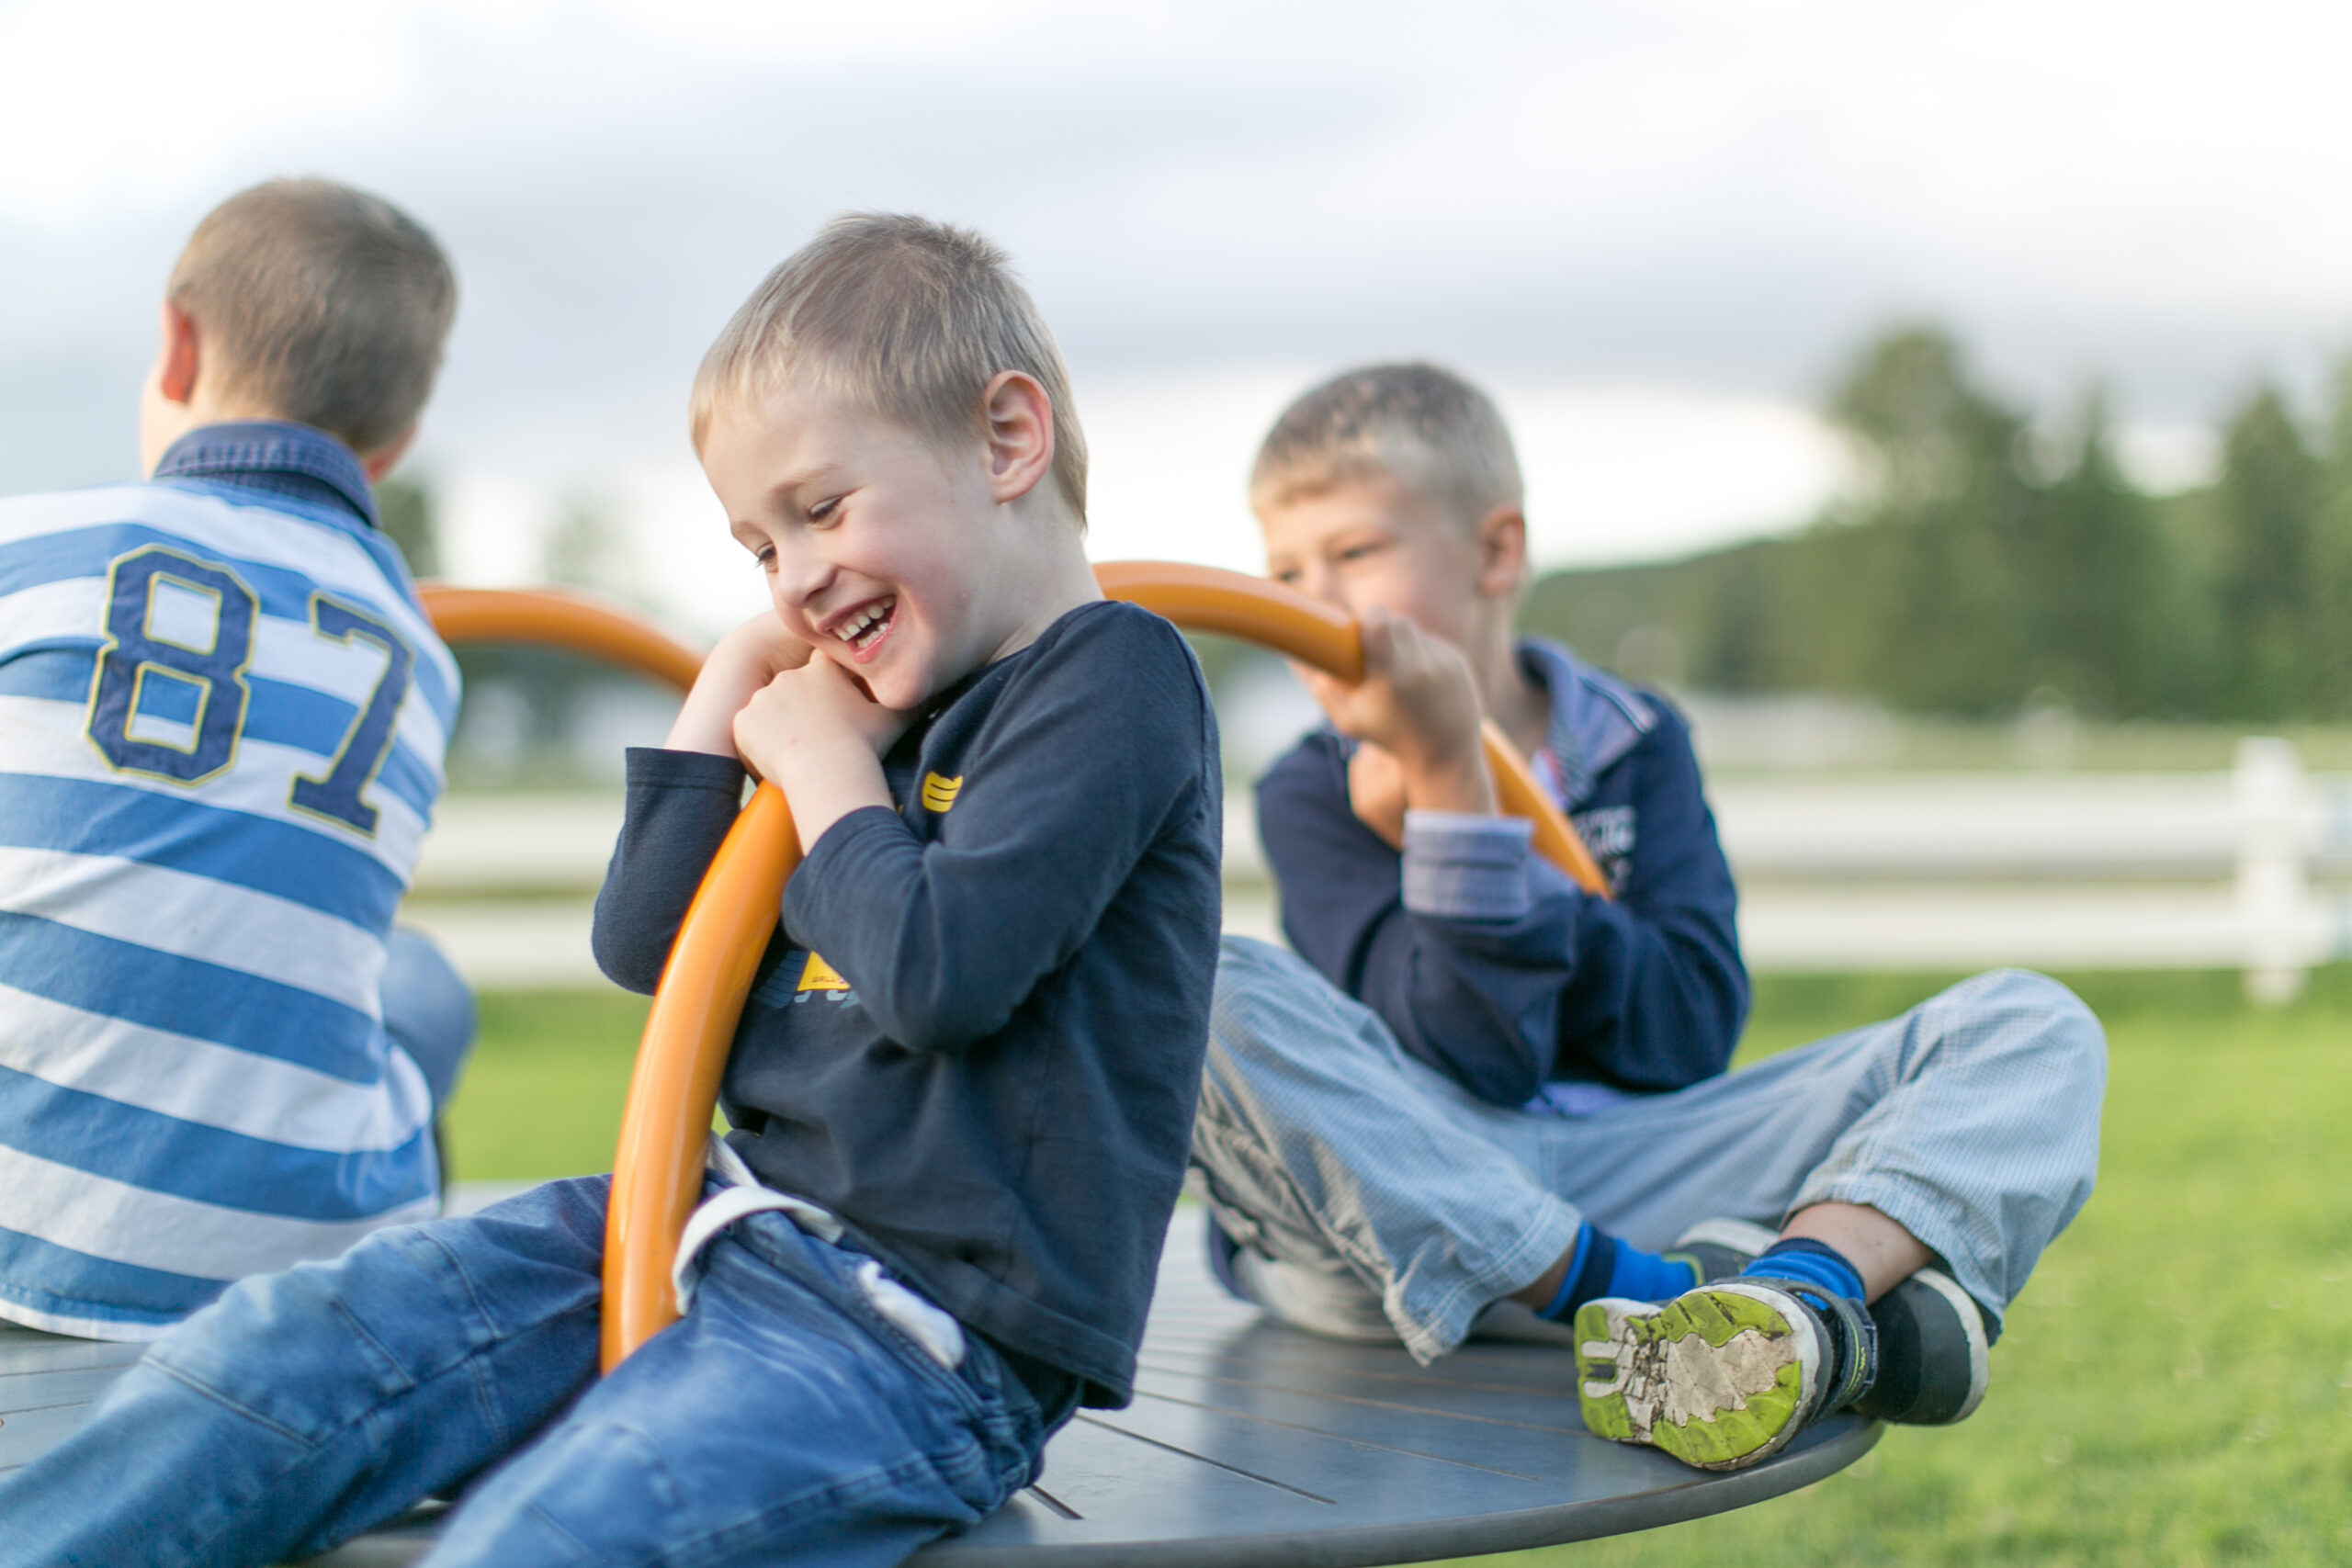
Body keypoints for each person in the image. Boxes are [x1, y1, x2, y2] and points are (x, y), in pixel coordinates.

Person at [0, 213, 1224, 1568]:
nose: (798, 578)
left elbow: (943, 974)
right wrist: (727, 692)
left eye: (821, 509)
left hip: (923, 1329)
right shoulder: (874, 710)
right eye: (760, 550)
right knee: (288, 1352)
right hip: (697, 1224)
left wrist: (824, 773)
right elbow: (649, 945)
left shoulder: (1109, 676)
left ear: (1006, 440)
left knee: (561, 1530)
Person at [1190, 362, 2106, 1472]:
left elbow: (1685, 1035)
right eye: (1285, 571)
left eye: (1353, 553)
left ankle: (1798, 1300)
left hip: (1637, 1169)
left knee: (2028, 1023)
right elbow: (1468, 1058)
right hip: (1404, 1224)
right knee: (1212, 983)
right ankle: (1675, 1303)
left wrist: (1489, 840)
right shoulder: (1311, 790)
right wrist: (1451, 812)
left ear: (1495, 552)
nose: (1310, 603)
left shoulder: (1635, 741)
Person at [0, 179, 473, 1341]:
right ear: (396, 443)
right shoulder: (420, 654)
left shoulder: (30, 545)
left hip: (18, 1213)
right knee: (422, 979)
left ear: (177, 343)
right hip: (297, 1252)